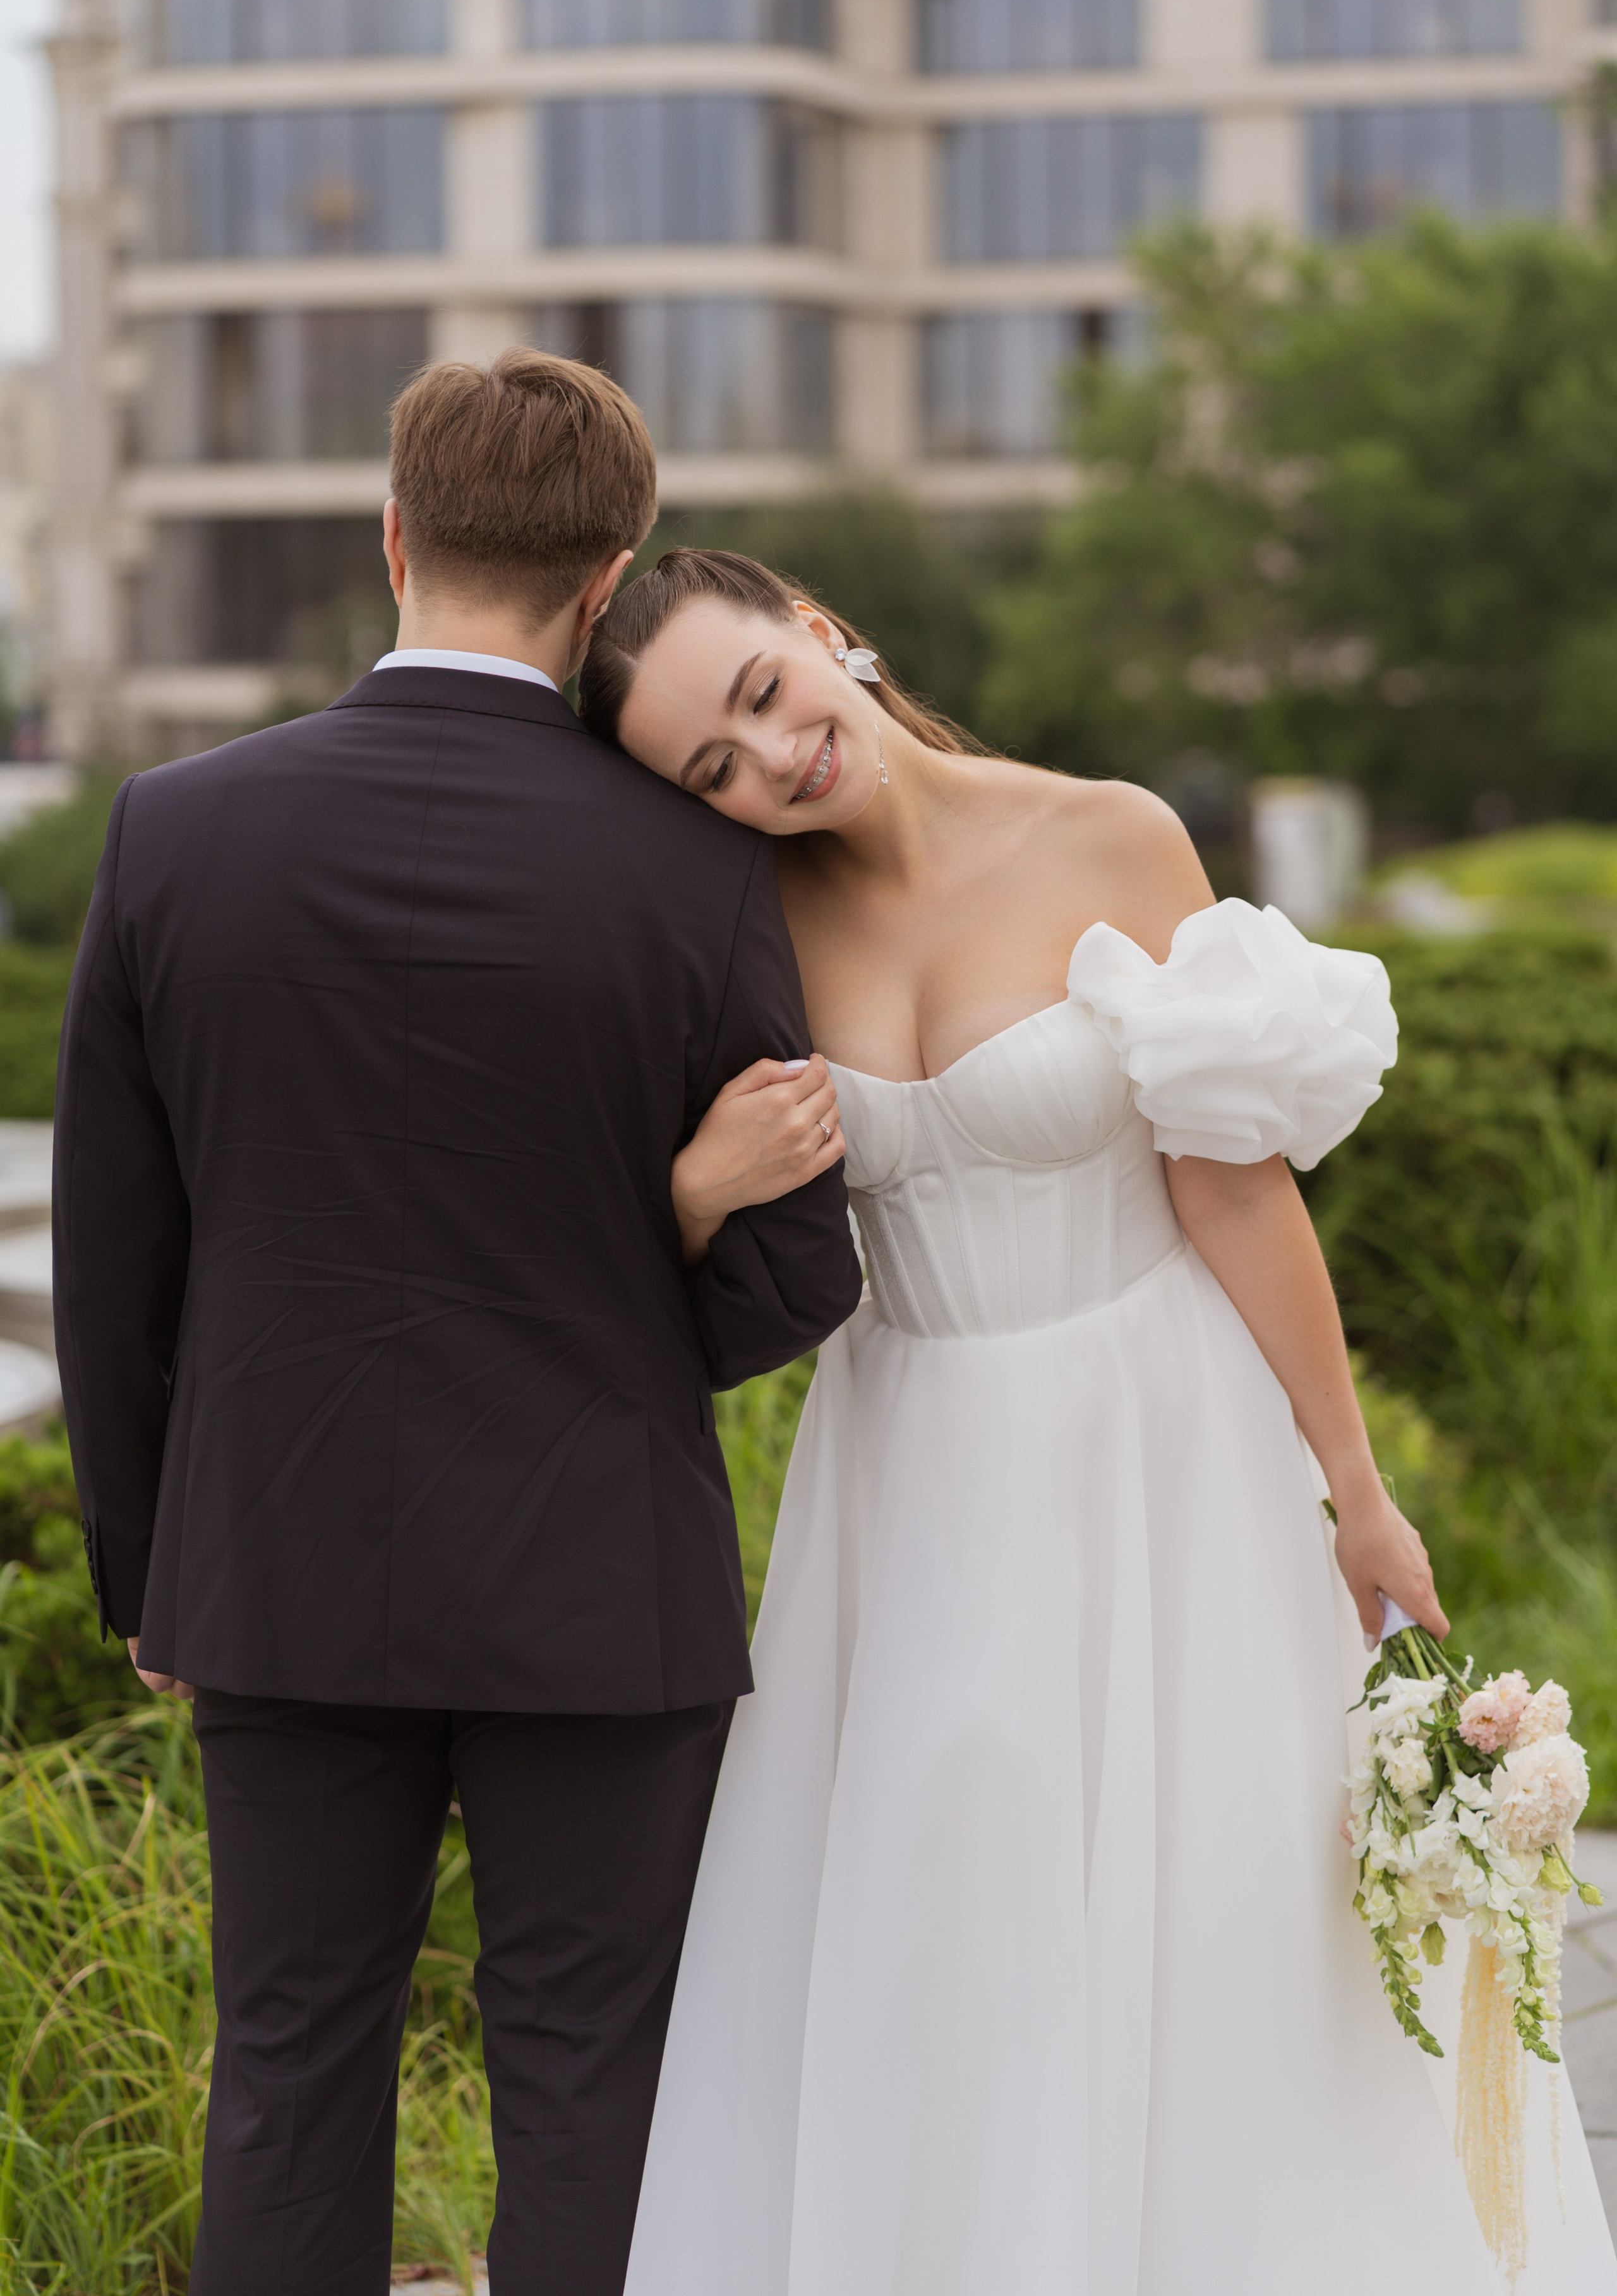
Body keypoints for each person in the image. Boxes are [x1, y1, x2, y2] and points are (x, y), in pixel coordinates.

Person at [574, 548, 1617, 2295]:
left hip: (1163, 1442)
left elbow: (1234, 1192)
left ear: (822, 630)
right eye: (712, 769)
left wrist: (1353, 1489)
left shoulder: (1111, 836)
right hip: (908, 1466)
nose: (767, 764)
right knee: (941, 1904)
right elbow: (654, 1239)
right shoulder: (744, 930)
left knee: (1213, 1911)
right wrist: (691, 1191)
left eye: (763, 696)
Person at [51, 361, 863, 2296]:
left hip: (278, 1564)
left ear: (393, 537)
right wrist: (654, 1227)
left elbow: (112, 1257)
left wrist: (151, 1569)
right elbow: (797, 1267)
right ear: (610, 587)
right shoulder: (698, 866)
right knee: (595, 2084)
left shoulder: (173, 832)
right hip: (603, 1582)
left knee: (288, 2069)